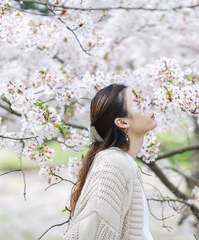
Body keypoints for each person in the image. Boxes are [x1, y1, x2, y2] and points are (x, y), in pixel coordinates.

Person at [63, 83, 157, 240]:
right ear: (122, 122)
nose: (147, 103)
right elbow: (92, 232)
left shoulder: (121, 162)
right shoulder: (113, 164)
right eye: (137, 102)